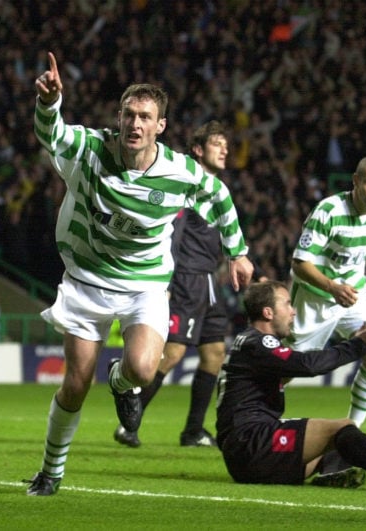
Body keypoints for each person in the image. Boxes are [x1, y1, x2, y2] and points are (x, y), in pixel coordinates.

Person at [26, 52, 254, 496]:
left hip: (144, 283)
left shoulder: (180, 171)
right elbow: (50, 134)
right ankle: (52, 470)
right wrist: (50, 104)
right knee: (74, 384)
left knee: (144, 369)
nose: (135, 124)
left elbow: (220, 196)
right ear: (118, 118)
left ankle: (121, 382)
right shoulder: (92, 149)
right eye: (128, 114)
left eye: (145, 117)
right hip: (86, 278)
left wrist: (239, 254)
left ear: (160, 127)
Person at [216, 280, 366, 490]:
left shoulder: (247, 341)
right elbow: (308, 365)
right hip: (253, 443)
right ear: (268, 313)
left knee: (336, 443)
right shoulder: (260, 342)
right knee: (342, 428)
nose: (293, 311)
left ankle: (331, 470)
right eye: (287, 304)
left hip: (244, 453)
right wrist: (358, 344)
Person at [113, 120, 251, 449]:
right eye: (217, 144)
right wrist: (167, 282)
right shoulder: (186, 187)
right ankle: (128, 423)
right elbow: (172, 235)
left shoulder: (217, 193)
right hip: (187, 279)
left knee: (215, 353)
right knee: (172, 352)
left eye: (226, 145)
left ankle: (193, 430)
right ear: (199, 150)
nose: (225, 150)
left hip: (209, 282)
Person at [288, 155, 366, 427]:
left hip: (354, 295)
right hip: (315, 298)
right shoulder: (329, 211)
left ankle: (353, 429)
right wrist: (332, 287)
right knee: (288, 369)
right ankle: (245, 414)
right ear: (356, 181)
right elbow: (300, 263)